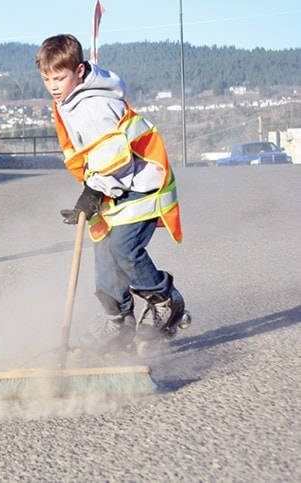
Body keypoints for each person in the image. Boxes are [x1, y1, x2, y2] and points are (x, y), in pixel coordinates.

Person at [36, 34, 189, 354]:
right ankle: (117, 321)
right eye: (47, 78)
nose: (52, 85)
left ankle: (165, 299)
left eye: (59, 78)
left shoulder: (95, 107)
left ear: (79, 71)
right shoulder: (70, 100)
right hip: (115, 186)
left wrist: (93, 193)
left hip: (142, 185)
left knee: (123, 247)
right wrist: (90, 193)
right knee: (104, 250)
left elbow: (116, 161)